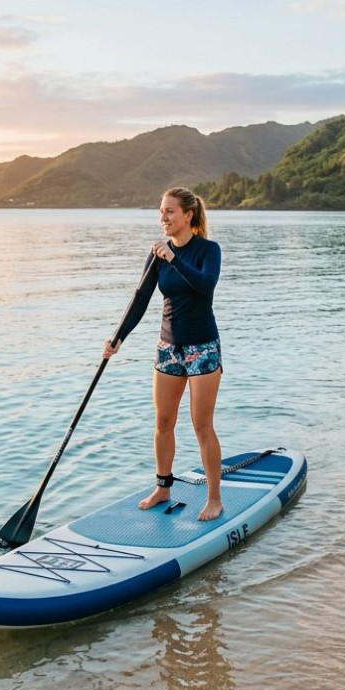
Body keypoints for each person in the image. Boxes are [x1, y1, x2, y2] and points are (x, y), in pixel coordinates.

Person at [103, 187, 225, 521]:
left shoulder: (208, 250)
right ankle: (163, 487)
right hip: (168, 347)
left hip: (202, 347)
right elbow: (140, 299)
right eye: (160, 211)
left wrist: (175, 259)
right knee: (163, 422)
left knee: (202, 426)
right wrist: (119, 337)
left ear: (188, 215)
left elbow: (205, 285)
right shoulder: (157, 255)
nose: (163, 218)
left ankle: (214, 498)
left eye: (170, 211)